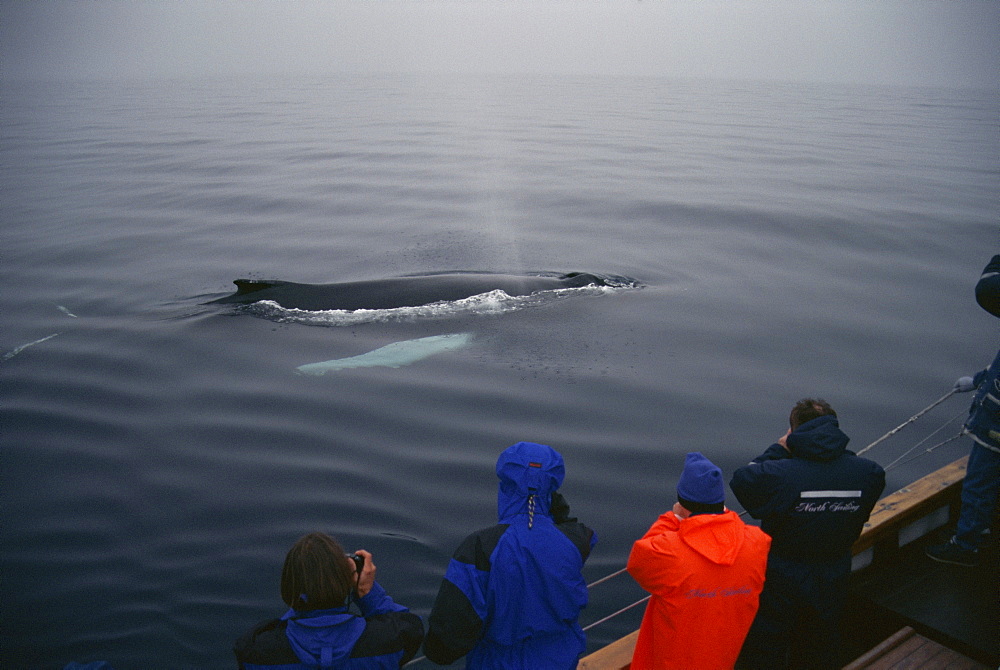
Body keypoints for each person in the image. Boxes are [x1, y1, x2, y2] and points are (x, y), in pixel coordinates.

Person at [731, 399, 885, 670]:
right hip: (834, 569)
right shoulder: (869, 473)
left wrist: (779, 448)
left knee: (768, 640)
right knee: (821, 639)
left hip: (782, 571)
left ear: (794, 431)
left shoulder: (780, 474)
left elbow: (743, 480)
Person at [423, 441, 597, 669]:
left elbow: (446, 643)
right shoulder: (579, 539)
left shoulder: (479, 547)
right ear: (554, 487)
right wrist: (549, 505)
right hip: (560, 661)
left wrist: (435, 651)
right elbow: (564, 530)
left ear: (505, 483)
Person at [626, 452, 771, 670]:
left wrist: (671, 519)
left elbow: (639, 560)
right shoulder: (757, 542)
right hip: (725, 656)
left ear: (683, 505)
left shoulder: (667, 551)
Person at [233, 532, 424, 669]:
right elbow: (407, 625)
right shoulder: (391, 640)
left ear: (289, 586)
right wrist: (367, 591)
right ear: (347, 581)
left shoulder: (255, 651)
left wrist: (303, 596)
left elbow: (280, 629)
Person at [926, 254, 1000, 567]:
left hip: (994, 429)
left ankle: (967, 544)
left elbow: (989, 288)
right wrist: (979, 379)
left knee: (978, 483)